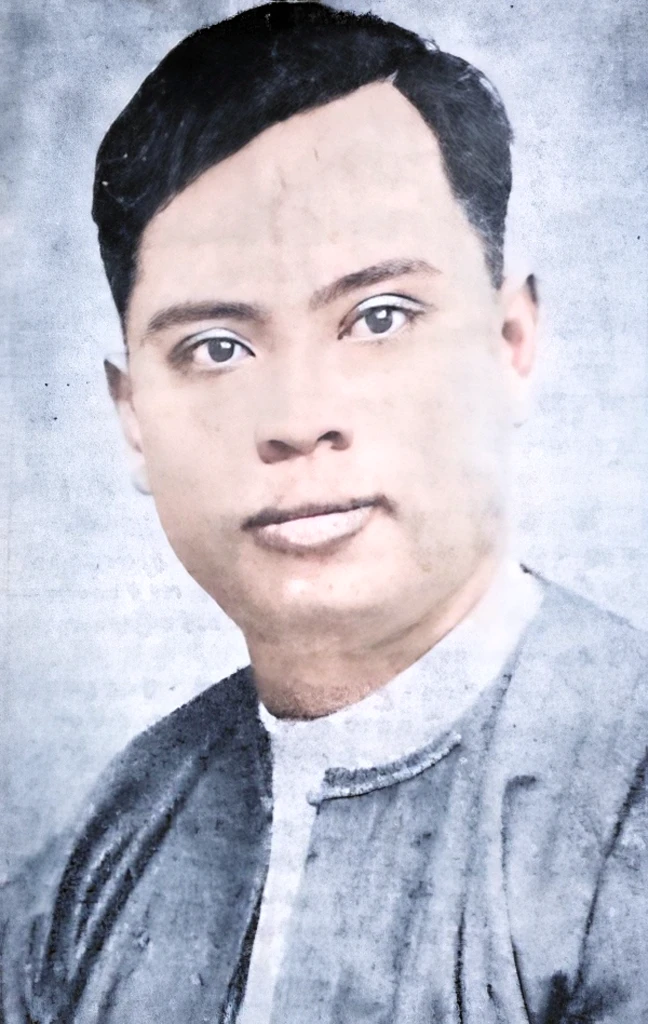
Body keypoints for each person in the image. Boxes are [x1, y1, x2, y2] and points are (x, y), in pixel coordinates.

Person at [1, 3, 647, 1022]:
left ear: (511, 342)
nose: (298, 420)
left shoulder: (624, 803)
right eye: (215, 346)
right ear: (134, 418)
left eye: (378, 318)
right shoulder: (105, 847)